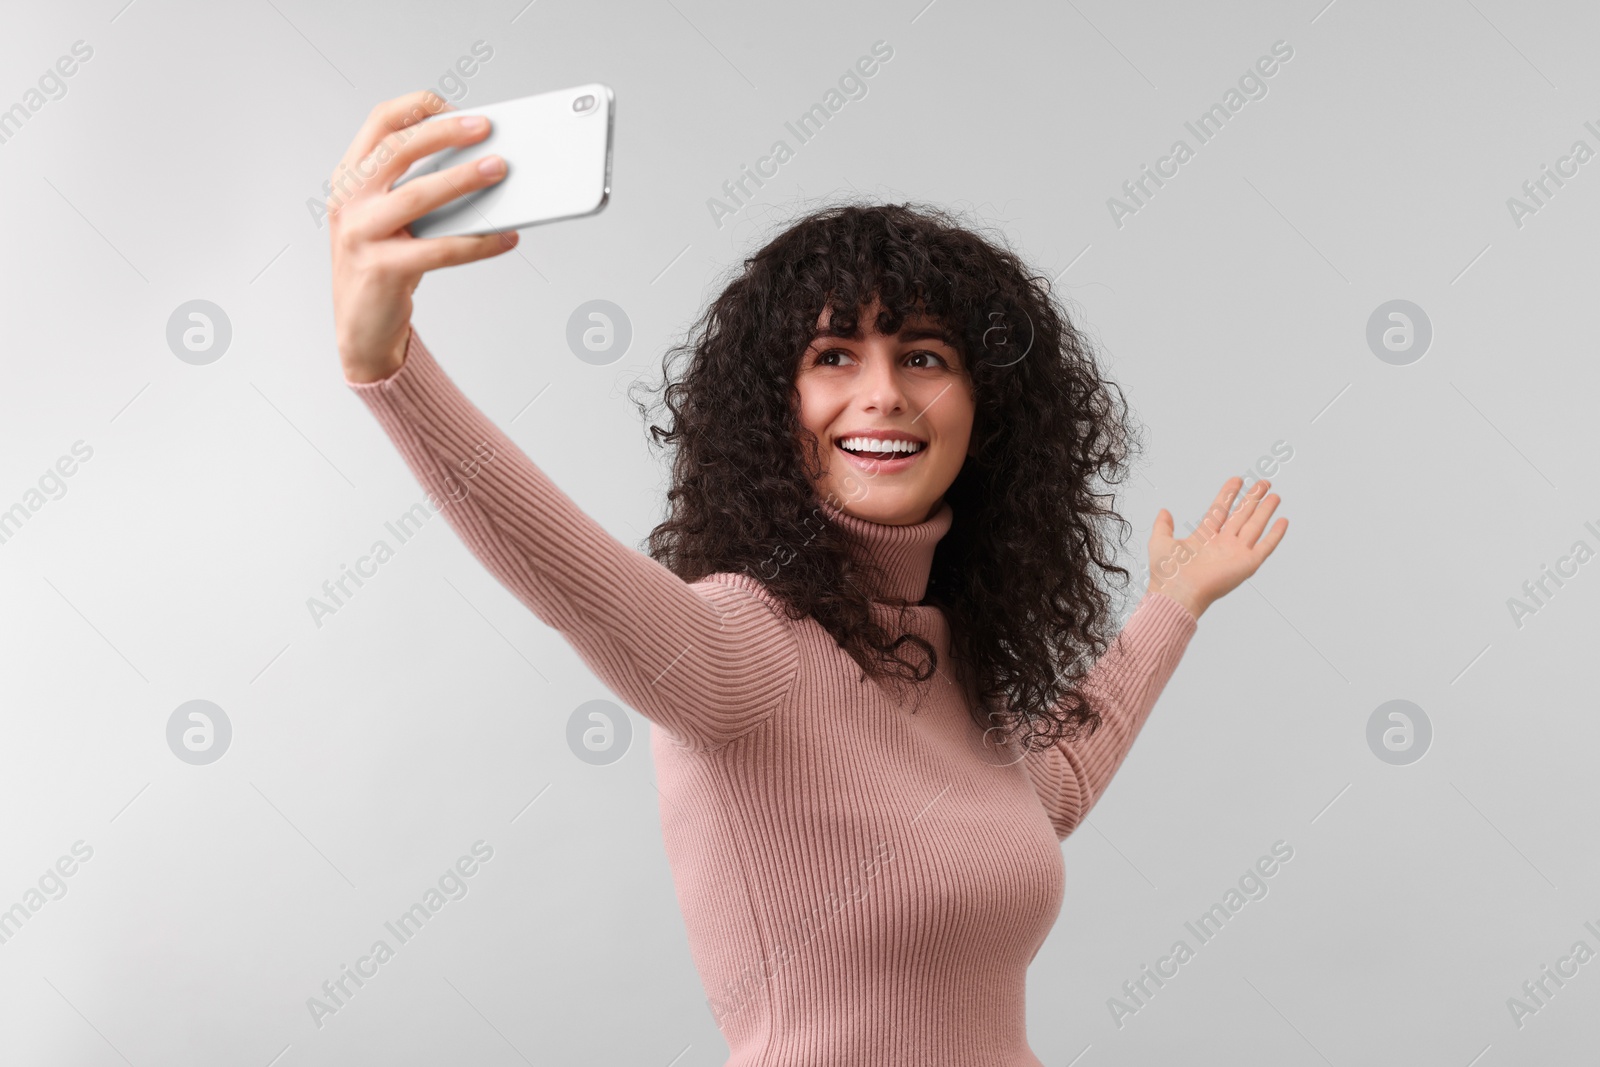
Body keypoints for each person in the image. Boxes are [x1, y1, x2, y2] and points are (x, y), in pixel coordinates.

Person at [328, 90, 1288, 1066]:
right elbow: (562, 570)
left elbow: (1056, 783)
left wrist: (1175, 600)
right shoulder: (738, 647)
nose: (883, 392)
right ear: (770, 408)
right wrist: (387, 365)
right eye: (833, 356)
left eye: (922, 354)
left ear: (985, 412)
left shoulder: (956, 659)